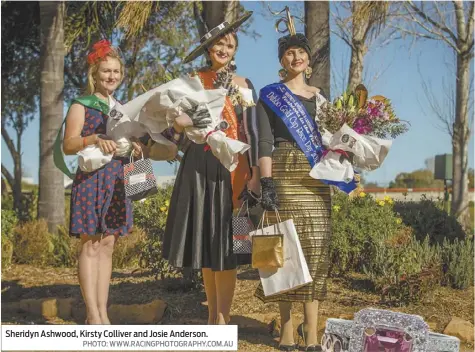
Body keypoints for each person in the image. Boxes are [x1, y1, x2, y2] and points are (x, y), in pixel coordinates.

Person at [162, 11, 260, 325]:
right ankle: (211, 317)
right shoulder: (192, 82)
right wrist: (181, 120)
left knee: (231, 244)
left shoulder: (244, 85)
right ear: (208, 48)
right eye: (218, 44)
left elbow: (253, 130)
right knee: (207, 241)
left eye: (229, 45)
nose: (223, 49)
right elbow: (176, 124)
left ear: (234, 52)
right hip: (200, 166)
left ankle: (223, 318)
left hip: (235, 168)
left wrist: (256, 171)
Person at [254, 10, 331, 351]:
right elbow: (263, 142)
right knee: (284, 251)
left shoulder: (322, 98)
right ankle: (286, 329)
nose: (296, 56)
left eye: (301, 51)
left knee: (315, 250)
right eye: (289, 52)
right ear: (282, 61)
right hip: (283, 172)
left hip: (316, 177)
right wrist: (266, 183)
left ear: (308, 59)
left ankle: (312, 332)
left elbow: (334, 141)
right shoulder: (271, 95)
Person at [62, 40, 144, 325]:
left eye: (116, 71)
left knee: (108, 243)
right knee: (91, 245)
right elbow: (68, 145)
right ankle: (92, 314)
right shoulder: (81, 104)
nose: (111, 76)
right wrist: (94, 138)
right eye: (106, 71)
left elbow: (126, 140)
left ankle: (103, 312)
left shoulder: (122, 108)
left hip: (118, 179)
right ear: (95, 74)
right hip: (91, 179)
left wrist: (134, 146)